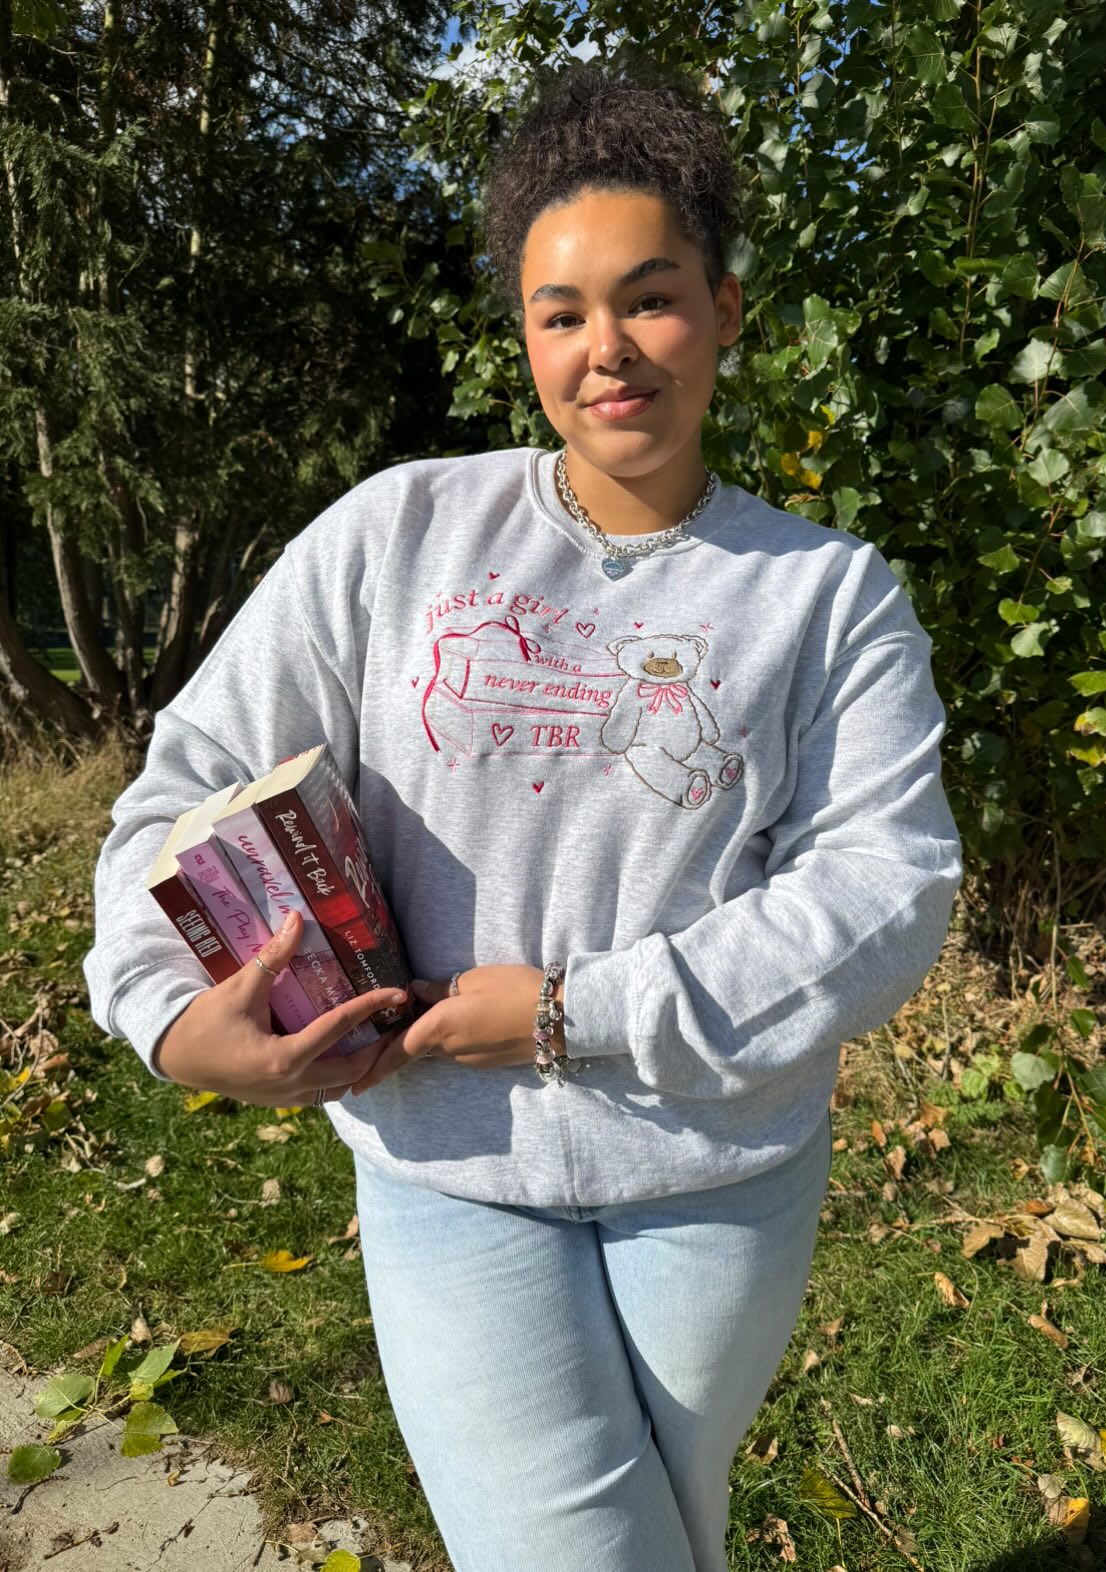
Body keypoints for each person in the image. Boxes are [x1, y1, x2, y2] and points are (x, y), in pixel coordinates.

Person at [85, 59, 962, 1572]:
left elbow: (885, 890)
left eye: (652, 297)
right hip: (447, 1162)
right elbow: (186, 778)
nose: (606, 350)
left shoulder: (828, 595)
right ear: (526, 336)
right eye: (562, 313)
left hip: (720, 1182)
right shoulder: (397, 534)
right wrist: (167, 1018)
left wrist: (572, 1010)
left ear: (728, 312)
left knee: (672, 1528)